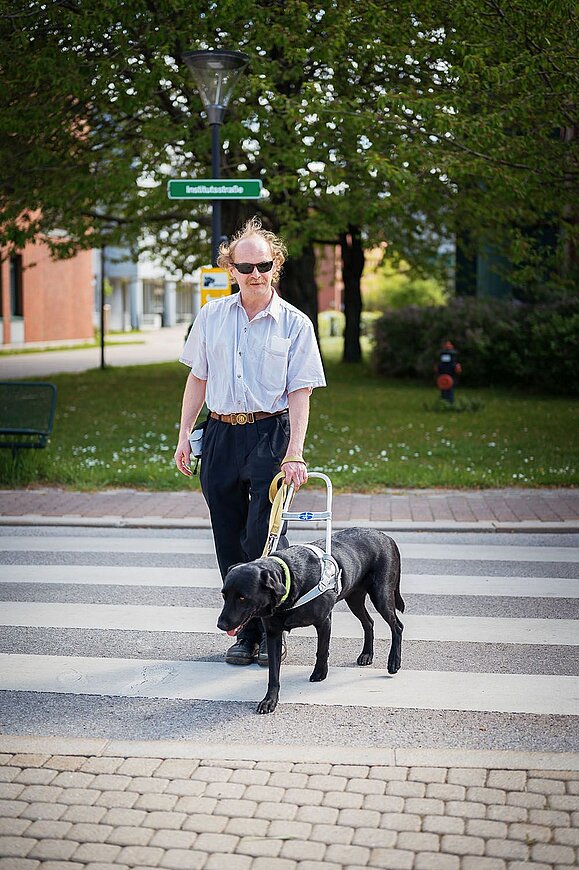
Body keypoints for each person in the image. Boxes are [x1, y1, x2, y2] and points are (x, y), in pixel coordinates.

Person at [174, 217, 326, 666]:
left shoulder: (295, 325)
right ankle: (242, 624)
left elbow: (300, 392)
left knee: (263, 536)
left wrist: (294, 451)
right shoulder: (211, 317)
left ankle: (261, 631)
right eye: (245, 267)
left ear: (275, 264)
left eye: (262, 264)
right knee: (227, 536)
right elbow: (197, 377)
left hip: (270, 435)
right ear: (231, 269)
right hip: (220, 434)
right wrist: (185, 433)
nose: (254, 273)